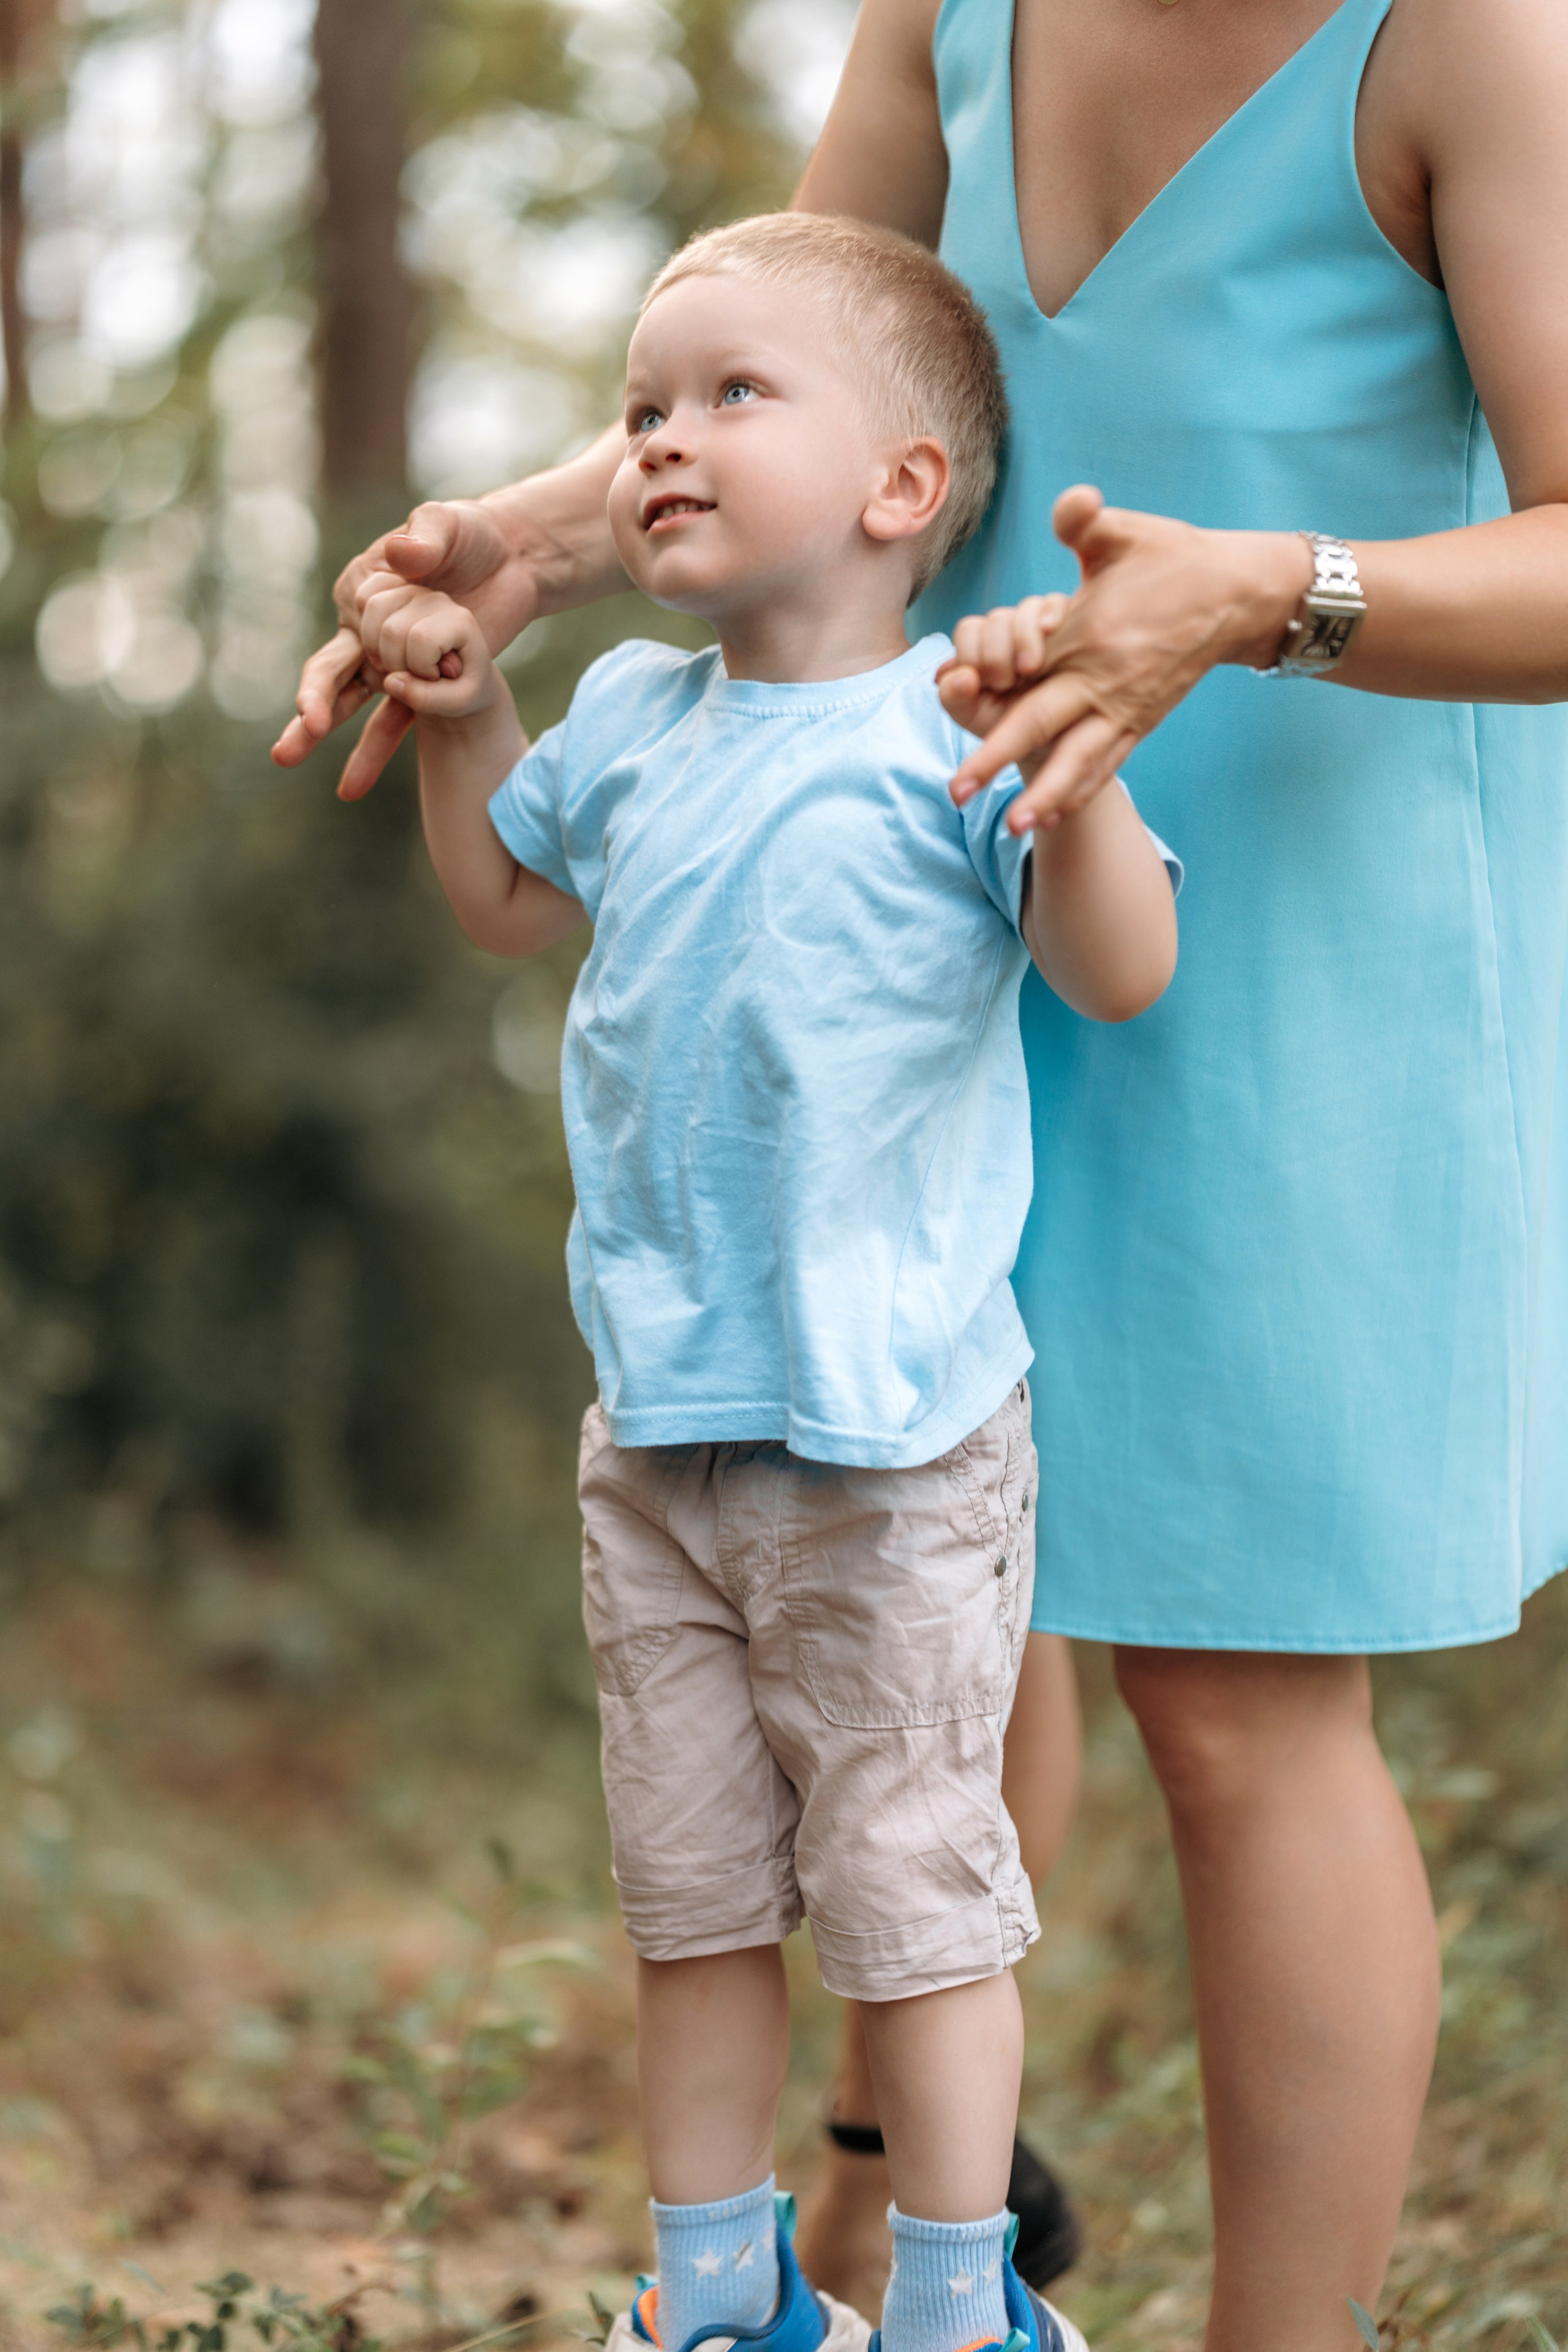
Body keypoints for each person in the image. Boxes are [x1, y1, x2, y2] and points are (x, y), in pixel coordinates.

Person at [276, 3, 1568, 2346]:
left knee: (1233, 1698)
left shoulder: (1474, 38)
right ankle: (896, 2250)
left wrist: (1266, 592)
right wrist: (512, 552)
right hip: (903, 881)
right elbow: (819, 338)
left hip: (1291, 925)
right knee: (934, 1561)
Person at [356, 210, 1180, 2352]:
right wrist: (467, 706)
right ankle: (723, 2294)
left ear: (903, 486)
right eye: (642, 404)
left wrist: (1079, 770)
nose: (659, 438)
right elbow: (504, 903)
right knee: (696, 1899)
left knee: (915, 1904)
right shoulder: (636, 716)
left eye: (732, 393)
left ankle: (954, 2303)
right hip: (659, 1433)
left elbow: (1120, 968)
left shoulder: (954, 720)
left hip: (894, 1441)